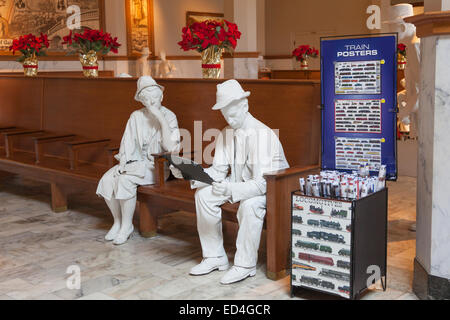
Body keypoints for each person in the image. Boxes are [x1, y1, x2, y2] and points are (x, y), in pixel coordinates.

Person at [173, 80, 289, 284]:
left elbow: (262, 185)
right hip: (237, 183)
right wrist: (189, 174)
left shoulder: (263, 135)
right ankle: (215, 256)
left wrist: (229, 187)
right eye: (225, 115)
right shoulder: (226, 133)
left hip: (273, 189)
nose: (229, 119)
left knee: (250, 205)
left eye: (233, 114)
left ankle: (245, 265)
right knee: (203, 196)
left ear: (245, 106)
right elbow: (218, 171)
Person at [96, 76, 180, 245]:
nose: (151, 102)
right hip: (134, 164)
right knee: (108, 179)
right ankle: (118, 221)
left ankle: (127, 226)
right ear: (142, 101)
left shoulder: (169, 116)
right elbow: (127, 143)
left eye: (155, 98)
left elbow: (171, 146)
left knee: (125, 180)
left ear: (162, 97)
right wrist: (124, 163)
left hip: (156, 167)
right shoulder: (136, 116)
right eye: (147, 99)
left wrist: (160, 119)